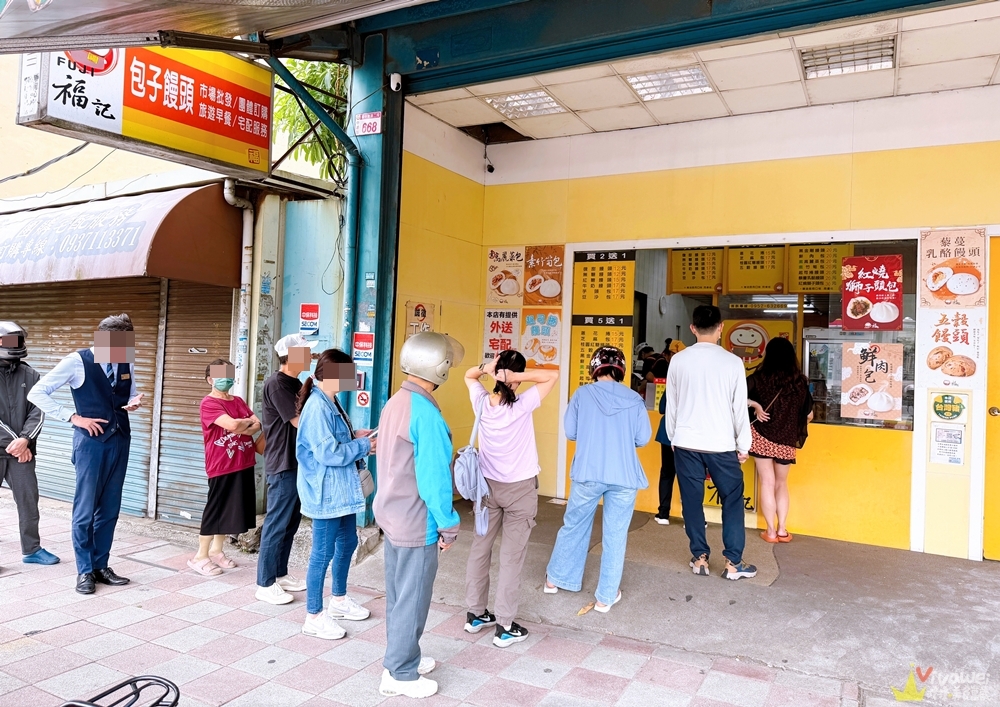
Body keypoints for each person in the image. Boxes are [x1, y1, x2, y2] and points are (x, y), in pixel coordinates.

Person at [374, 331, 464, 699]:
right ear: (440, 368)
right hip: (416, 520)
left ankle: (402, 654)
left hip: (393, 513)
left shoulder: (397, 401)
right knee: (412, 597)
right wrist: (449, 523)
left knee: (399, 594)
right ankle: (400, 673)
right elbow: (434, 478)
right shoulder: (425, 413)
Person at [28, 313, 143, 594]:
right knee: (85, 510)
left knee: (110, 509)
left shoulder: (126, 360)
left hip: (120, 440)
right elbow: (37, 392)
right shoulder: (77, 361)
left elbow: (129, 393)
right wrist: (73, 417)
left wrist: (134, 402)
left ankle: (100, 565)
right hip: (91, 445)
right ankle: (84, 570)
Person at [462, 351, 558, 648]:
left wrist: (487, 369)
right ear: (515, 377)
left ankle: (475, 614)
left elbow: (468, 375)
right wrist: (516, 378)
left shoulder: (481, 403)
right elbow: (551, 376)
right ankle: (504, 625)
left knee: (481, 548)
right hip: (519, 490)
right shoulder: (522, 404)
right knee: (511, 558)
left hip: (487, 488)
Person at [544, 346, 651, 612]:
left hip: (588, 472)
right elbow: (642, 439)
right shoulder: (635, 399)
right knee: (615, 535)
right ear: (621, 369)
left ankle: (555, 580)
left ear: (594, 368)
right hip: (624, 475)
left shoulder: (582, 394)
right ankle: (605, 596)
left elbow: (570, 433)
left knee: (574, 525)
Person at [664, 305, 757, 581]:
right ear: (721, 327)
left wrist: (673, 437)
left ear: (693, 328)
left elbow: (673, 405)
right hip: (721, 444)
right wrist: (744, 444)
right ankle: (733, 563)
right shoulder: (732, 362)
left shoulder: (678, 361)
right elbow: (739, 408)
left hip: (686, 442)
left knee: (692, 501)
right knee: (732, 499)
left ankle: (700, 557)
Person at [296, 349, 375, 639]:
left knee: (349, 541)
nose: (352, 378)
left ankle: (339, 600)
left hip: (341, 489)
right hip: (326, 492)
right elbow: (328, 453)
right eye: (347, 373)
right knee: (322, 553)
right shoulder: (317, 406)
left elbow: (334, 441)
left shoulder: (332, 401)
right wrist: (365, 447)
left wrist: (356, 436)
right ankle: (314, 615)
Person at [255, 334, 317, 605]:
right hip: (283, 463)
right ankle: (264, 583)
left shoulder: (295, 383)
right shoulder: (277, 384)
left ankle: (280, 573)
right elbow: (297, 422)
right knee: (277, 523)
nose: (310, 357)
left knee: (290, 523)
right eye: (306, 352)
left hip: (297, 462)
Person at [188, 360, 260, 576]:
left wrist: (244, 424)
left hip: (244, 461)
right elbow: (233, 426)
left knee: (229, 511)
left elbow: (257, 425)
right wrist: (243, 423)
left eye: (229, 374)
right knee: (215, 510)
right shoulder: (209, 403)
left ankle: (217, 551)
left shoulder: (237, 400)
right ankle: (200, 556)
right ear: (210, 379)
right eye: (220, 375)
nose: (226, 379)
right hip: (222, 464)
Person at [0, 322, 58, 570]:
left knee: (28, 501)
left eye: (18, 340)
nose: (15, 346)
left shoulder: (31, 375)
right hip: (18, 450)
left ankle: (32, 549)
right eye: (9, 341)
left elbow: (38, 410)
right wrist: (18, 442)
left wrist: (25, 440)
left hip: (22, 453)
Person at [746, 337, 813, 544]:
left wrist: (755, 405)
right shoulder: (800, 382)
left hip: (761, 436)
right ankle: (783, 529)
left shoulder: (758, 378)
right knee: (781, 483)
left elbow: (734, 399)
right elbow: (809, 415)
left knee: (767, 482)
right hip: (786, 439)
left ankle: (771, 531)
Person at [653, 358, 676, 526]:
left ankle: (663, 514)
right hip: (688, 437)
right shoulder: (696, 387)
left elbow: (662, 408)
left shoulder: (673, 385)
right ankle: (694, 518)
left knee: (667, 473)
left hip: (668, 434)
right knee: (690, 476)